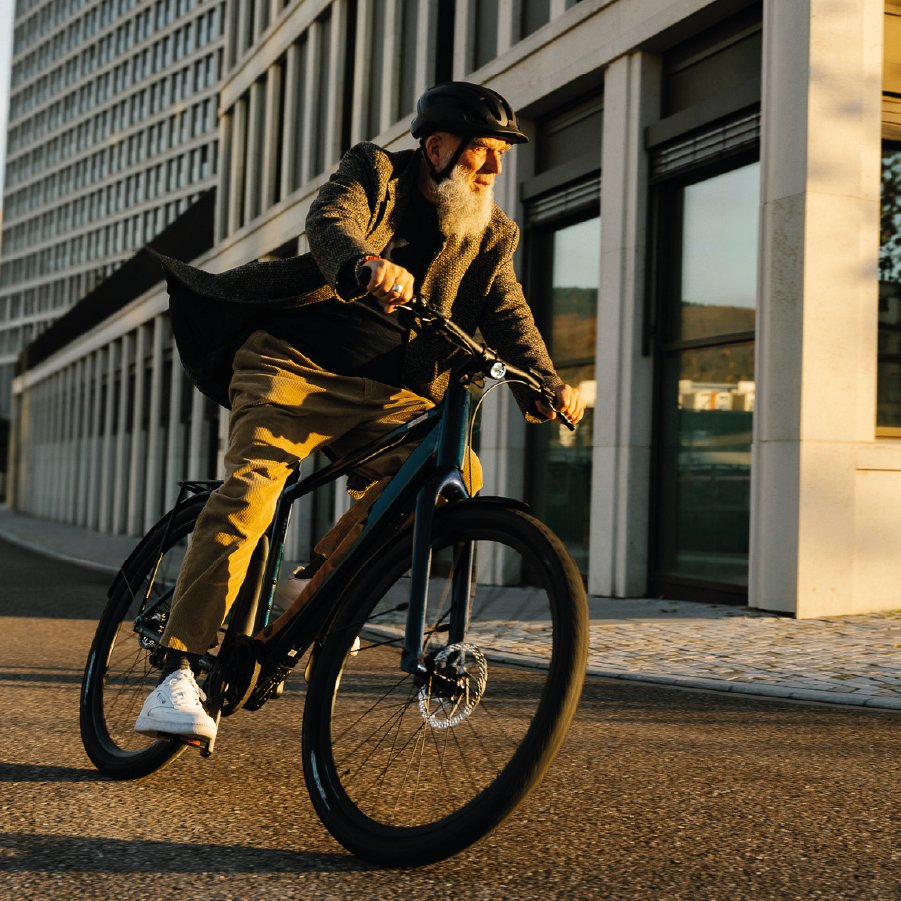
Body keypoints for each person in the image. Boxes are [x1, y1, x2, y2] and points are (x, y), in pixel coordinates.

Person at [134, 82, 586, 743]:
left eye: (501, 154)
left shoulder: (490, 232)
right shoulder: (375, 172)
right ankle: (177, 668)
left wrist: (546, 381)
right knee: (252, 492)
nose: (494, 166)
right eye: (482, 151)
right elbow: (330, 222)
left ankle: (312, 584)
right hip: (293, 367)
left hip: (390, 393)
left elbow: (507, 311)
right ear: (437, 147)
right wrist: (365, 263)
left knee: (453, 474)